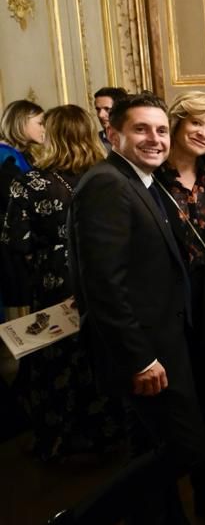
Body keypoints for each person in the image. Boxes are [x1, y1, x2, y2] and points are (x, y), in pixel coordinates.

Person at [48, 92, 205, 525]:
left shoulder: (139, 180)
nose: (155, 139)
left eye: (161, 130)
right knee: (185, 447)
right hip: (146, 353)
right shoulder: (107, 184)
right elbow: (103, 284)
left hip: (163, 343)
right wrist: (139, 358)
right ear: (113, 134)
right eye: (142, 129)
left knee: (148, 451)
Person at [1, 105, 122, 462]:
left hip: (54, 281)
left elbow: (15, 241)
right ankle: (108, 433)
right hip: (103, 276)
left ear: (51, 135)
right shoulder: (109, 176)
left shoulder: (30, 183)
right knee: (101, 352)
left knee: (54, 358)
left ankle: (58, 437)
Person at [153, 92, 205, 525]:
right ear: (178, 122)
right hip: (163, 307)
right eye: (197, 123)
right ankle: (169, 509)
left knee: (203, 406)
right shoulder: (149, 176)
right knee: (165, 413)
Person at [0, 99, 45, 310]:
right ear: (21, 122)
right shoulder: (5, 157)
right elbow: (12, 201)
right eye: (40, 123)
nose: (44, 129)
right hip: (11, 245)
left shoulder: (21, 155)